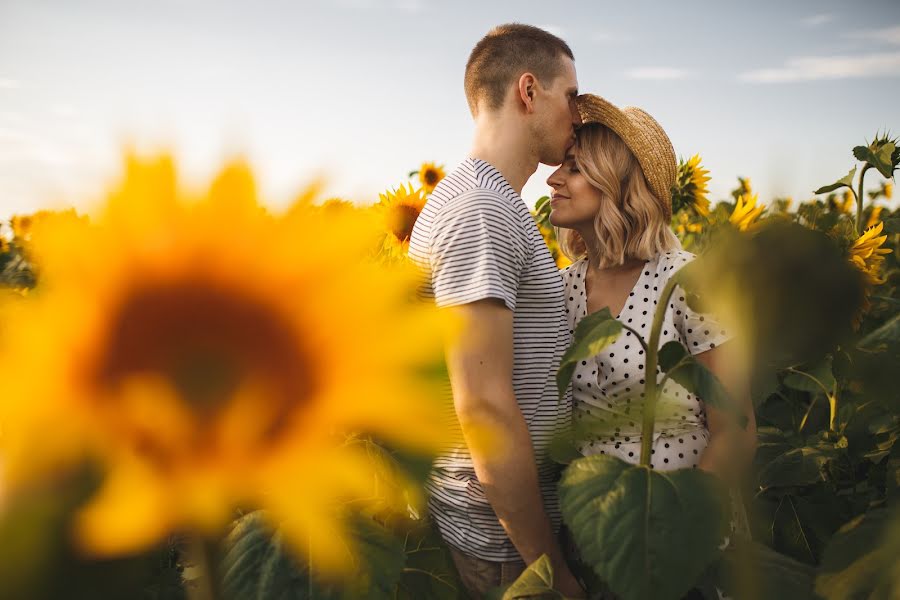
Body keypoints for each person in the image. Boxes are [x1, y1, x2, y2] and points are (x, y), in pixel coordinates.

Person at [408, 24, 586, 599]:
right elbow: (483, 407)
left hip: (507, 532)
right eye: (571, 97)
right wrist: (550, 569)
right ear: (528, 91)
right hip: (505, 545)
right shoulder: (481, 210)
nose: (578, 115)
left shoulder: (483, 201)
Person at [547, 93, 756, 537]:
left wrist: (677, 524)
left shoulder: (689, 281)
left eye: (574, 168)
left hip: (684, 530)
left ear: (616, 183)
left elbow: (735, 429)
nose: (552, 179)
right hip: (598, 533)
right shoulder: (562, 287)